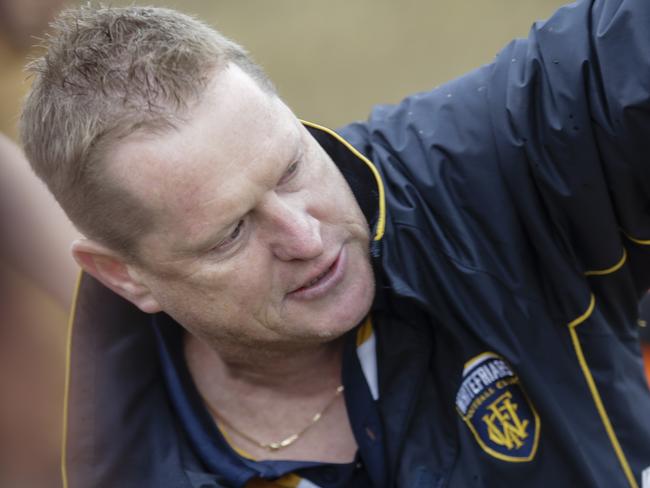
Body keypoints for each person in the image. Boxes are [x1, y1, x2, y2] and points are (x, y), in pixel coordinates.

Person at [19, 1, 650, 487]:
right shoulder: (129, 466)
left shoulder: (479, 175)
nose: (306, 235)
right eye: (232, 232)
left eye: (293, 167)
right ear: (125, 276)